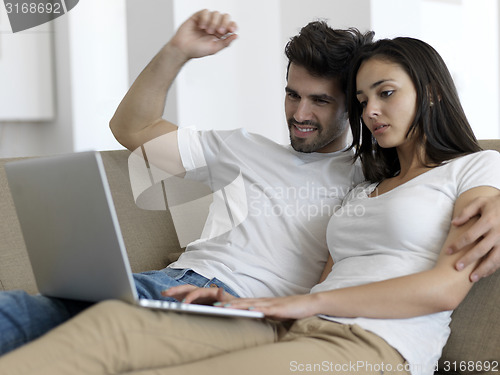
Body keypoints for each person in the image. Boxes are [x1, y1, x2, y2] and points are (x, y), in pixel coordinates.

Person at [0, 8, 499, 362]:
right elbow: (131, 129)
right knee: (25, 312)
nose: (300, 115)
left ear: (352, 106)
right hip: (187, 285)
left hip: (249, 309)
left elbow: (452, 176)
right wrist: (178, 51)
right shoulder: (243, 148)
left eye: (321, 101)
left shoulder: (370, 181)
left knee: (30, 318)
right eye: (292, 95)